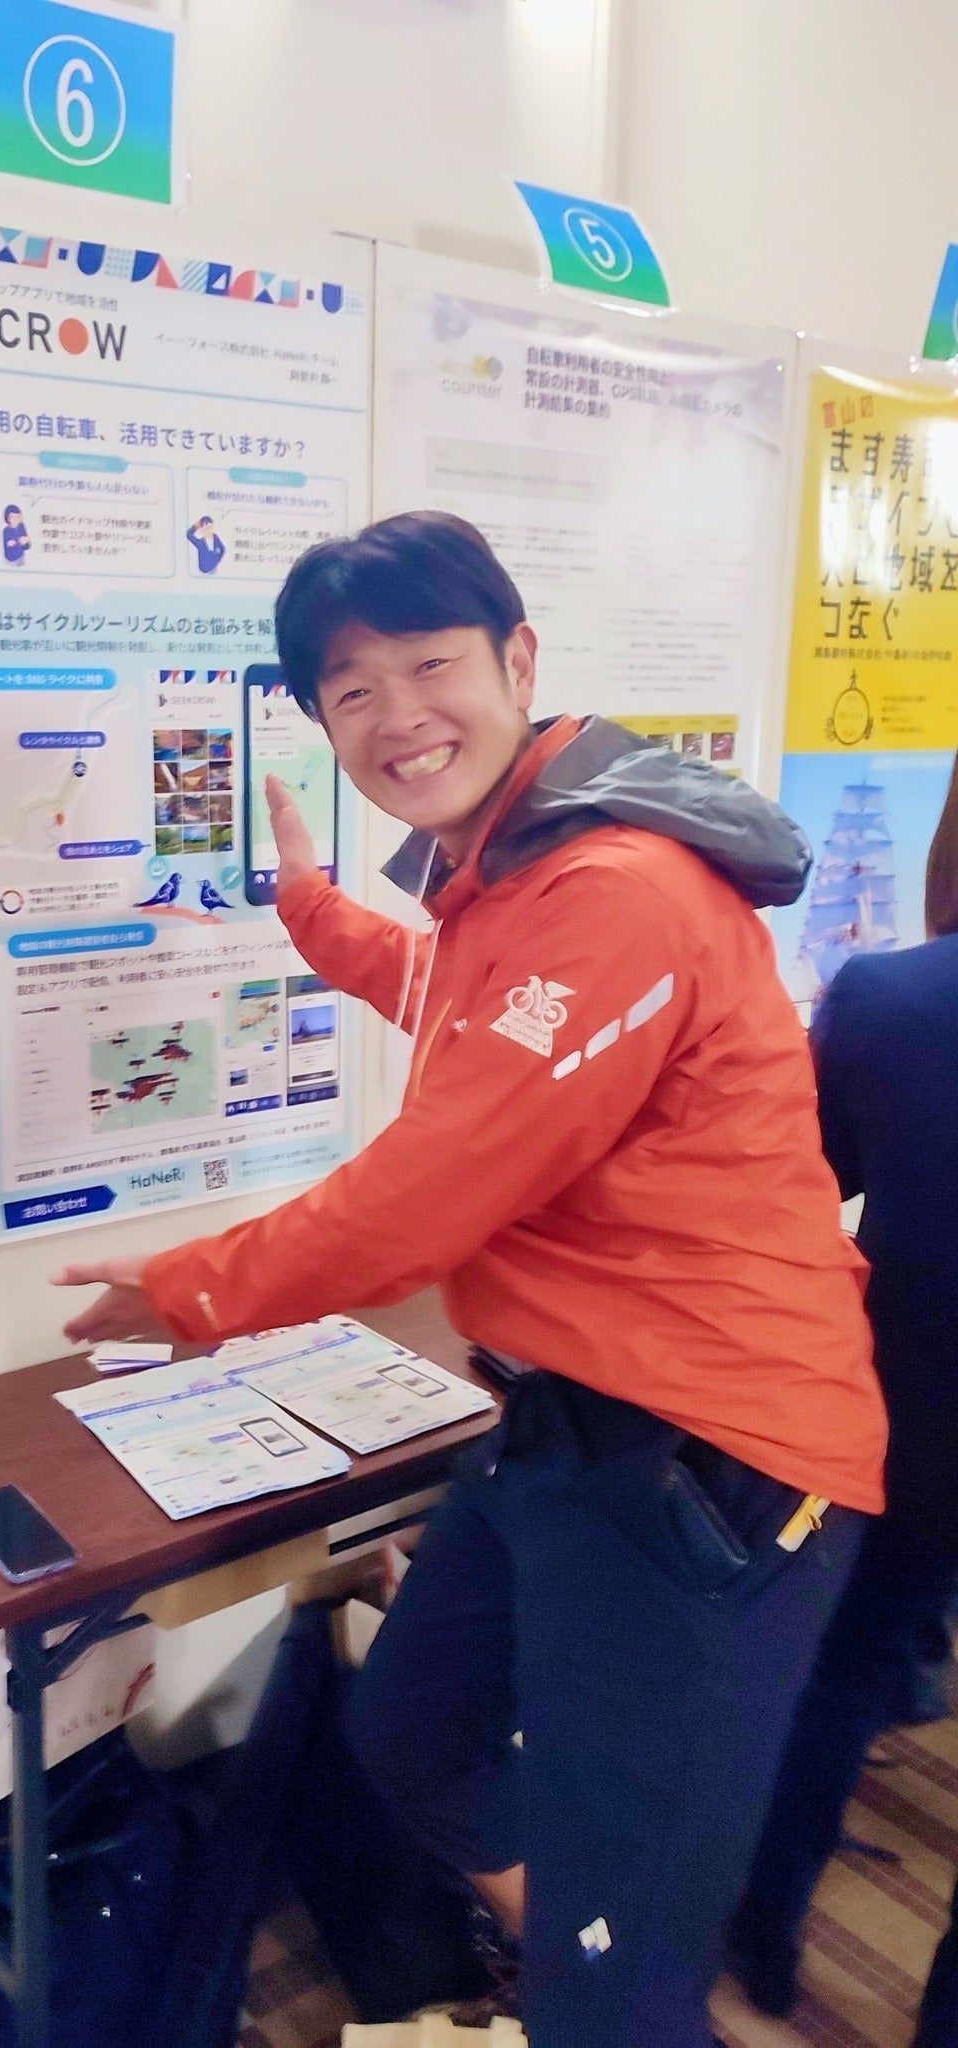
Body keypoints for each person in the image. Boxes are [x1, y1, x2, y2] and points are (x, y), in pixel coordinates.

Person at [55, 511, 886, 2048]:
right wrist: (311, 910)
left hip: (718, 1458)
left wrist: (187, 1290)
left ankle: (606, 1975)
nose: (396, 715)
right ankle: (586, 1943)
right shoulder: (506, 878)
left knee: (618, 1976)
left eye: (430, 664)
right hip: (572, 1424)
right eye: (350, 690)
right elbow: (452, 996)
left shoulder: (615, 889)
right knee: (415, 1737)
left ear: (517, 660)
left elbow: (424, 1197)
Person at [729, 753, 958, 2042]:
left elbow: (807, 1180)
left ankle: (763, 1931)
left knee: (841, 1674)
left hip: (912, 1416)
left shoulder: (887, 996)